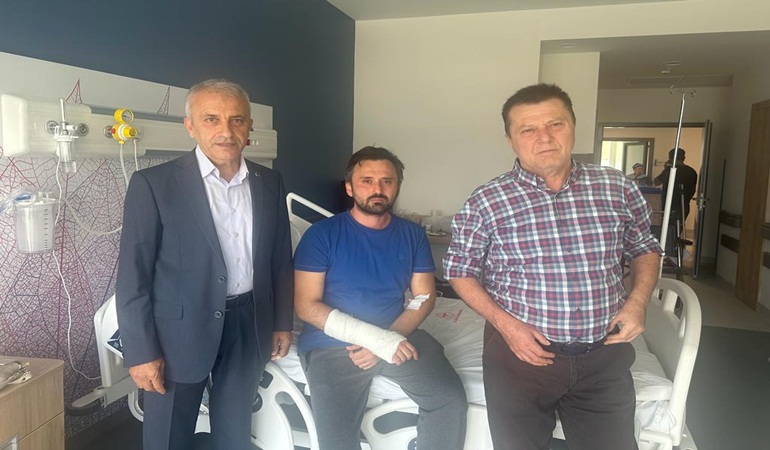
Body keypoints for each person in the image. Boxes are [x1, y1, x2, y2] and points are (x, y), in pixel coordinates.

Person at [443, 83, 661, 450]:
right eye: (528, 129)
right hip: (519, 357)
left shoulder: (617, 187)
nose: (544, 137)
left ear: (573, 127)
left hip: (603, 356)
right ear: (511, 140)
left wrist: (637, 303)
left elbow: (645, 248)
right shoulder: (487, 200)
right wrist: (506, 326)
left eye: (555, 124)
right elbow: (458, 270)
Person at [116, 79, 294, 450]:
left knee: (234, 433)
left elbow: (279, 258)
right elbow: (133, 275)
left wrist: (281, 322)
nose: (226, 131)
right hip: (178, 332)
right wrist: (142, 351)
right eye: (211, 119)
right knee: (168, 437)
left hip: (248, 324)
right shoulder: (154, 185)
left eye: (236, 120)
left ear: (248, 127)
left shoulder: (269, 182)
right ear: (190, 126)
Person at [294, 146, 468, 450]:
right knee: (337, 442)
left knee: (449, 401)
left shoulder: (412, 234)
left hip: (397, 334)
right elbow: (306, 306)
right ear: (349, 188)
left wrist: (386, 340)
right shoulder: (321, 235)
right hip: (332, 344)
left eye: (387, 181)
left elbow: (424, 296)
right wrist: (375, 340)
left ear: (397, 186)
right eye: (367, 181)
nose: (378, 189)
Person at [654, 148, 698, 220]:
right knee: (679, 225)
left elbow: (656, 182)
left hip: (669, 205)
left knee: (667, 225)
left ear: (670, 159)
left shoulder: (670, 171)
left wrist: (665, 168)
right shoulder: (691, 171)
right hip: (684, 205)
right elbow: (693, 189)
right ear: (684, 158)